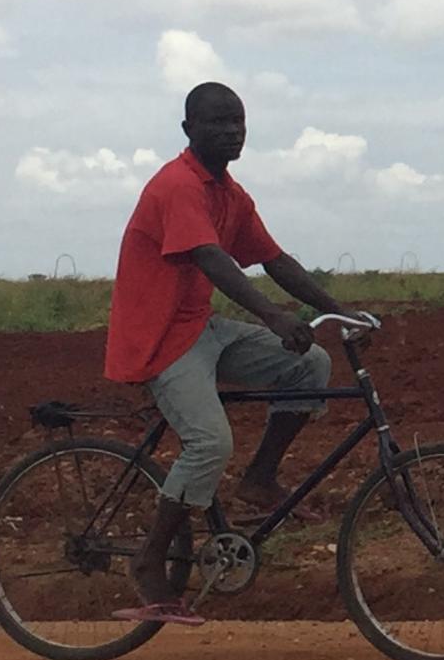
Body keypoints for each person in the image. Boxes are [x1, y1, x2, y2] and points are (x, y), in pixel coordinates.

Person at [102, 82, 346, 620]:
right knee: (210, 441)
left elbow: (273, 258)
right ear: (189, 130)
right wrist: (273, 316)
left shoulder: (228, 194)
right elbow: (214, 261)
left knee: (311, 366)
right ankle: (148, 561)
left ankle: (259, 480)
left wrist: (340, 308)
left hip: (200, 329)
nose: (232, 131)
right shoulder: (177, 186)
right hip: (161, 339)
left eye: (238, 122)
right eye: (218, 123)